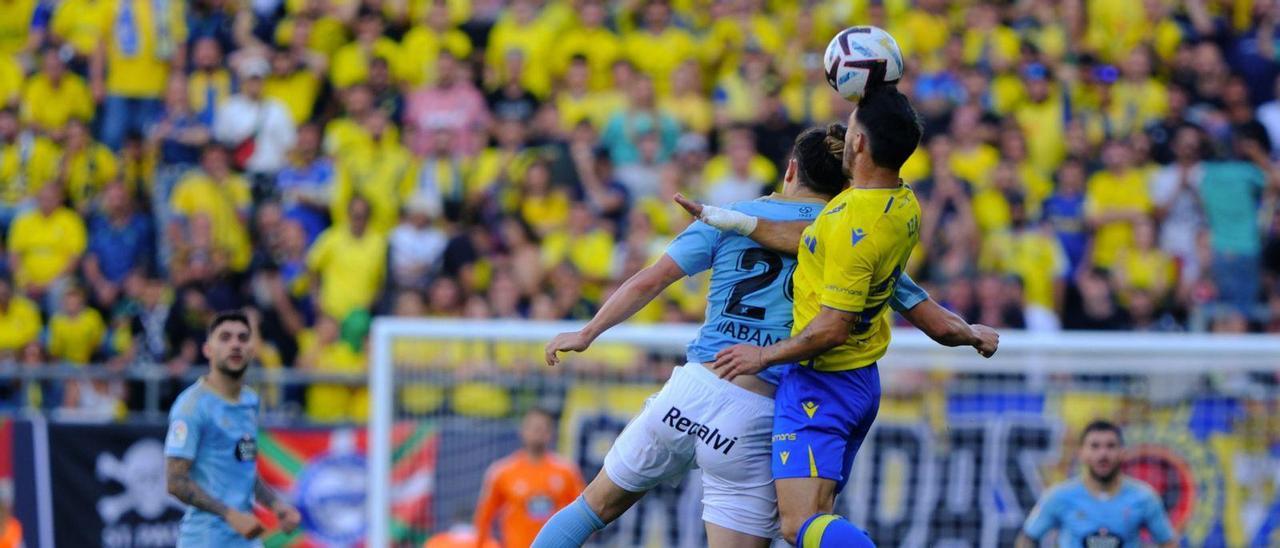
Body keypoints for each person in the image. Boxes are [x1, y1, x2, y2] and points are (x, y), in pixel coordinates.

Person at [535, 124, 998, 547]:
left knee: (589, 510)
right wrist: (972, 334)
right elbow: (929, 316)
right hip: (758, 411)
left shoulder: (731, 215)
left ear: (791, 168)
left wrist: (588, 331)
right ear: (845, 183)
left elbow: (650, 280)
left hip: (692, 388)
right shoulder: (855, 236)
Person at [682, 87, 954, 547]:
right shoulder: (903, 203)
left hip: (819, 383)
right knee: (821, 516)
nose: (843, 136)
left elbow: (832, 327)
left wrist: (762, 357)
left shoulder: (848, 222)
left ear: (861, 145)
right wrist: (965, 332)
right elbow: (816, 242)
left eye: (850, 129)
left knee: (798, 523)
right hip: (861, 382)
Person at [164, 311, 301, 546]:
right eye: (225, 338)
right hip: (207, 539)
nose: (235, 344)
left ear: (252, 349)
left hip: (247, 538)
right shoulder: (192, 407)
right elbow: (176, 481)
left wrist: (276, 505)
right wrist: (230, 515)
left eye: (243, 338)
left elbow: (244, 470)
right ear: (208, 350)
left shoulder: (250, 400)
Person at [1015, 420, 1177, 548]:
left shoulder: (1144, 497)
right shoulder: (1059, 496)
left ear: (1123, 452)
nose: (1103, 454)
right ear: (1081, 453)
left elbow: (1168, 542)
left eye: (1110, 446)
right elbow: (1027, 538)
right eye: (1095, 446)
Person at [474, 408, 584, 548]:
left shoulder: (567, 471)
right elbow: (484, 518)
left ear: (550, 433)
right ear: (522, 431)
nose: (538, 433)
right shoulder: (502, 471)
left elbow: (581, 515)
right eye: (534, 428)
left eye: (543, 428)